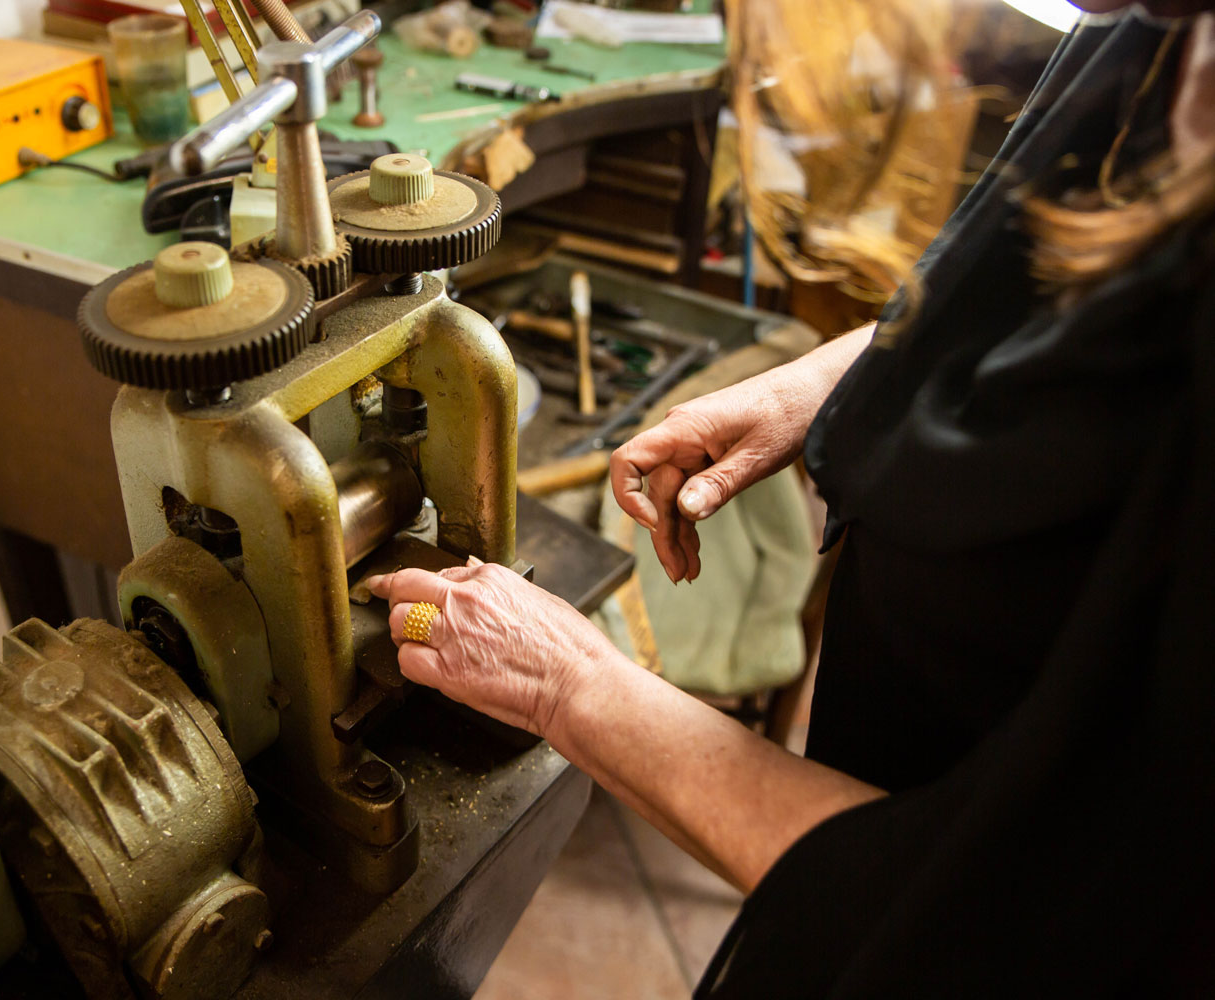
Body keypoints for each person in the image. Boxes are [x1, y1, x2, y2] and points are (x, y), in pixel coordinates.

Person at [368, 3, 1215, 995]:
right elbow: (1017, 291)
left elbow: (1007, 921)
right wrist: (819, 388)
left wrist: (572, 683)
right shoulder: (1150, 34)